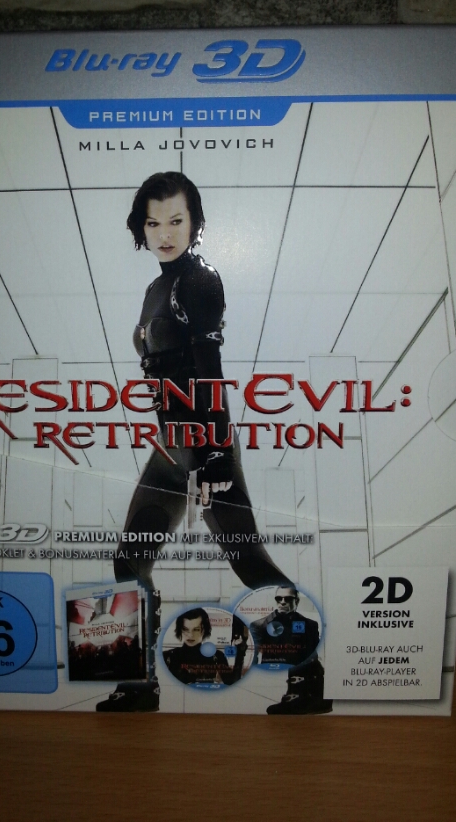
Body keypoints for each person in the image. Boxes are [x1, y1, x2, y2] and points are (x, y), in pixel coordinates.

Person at [96, 171, 293, 713]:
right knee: (129, 562)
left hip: (203, 444)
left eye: (176, 220)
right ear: (141, 227)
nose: (164, 233)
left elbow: (209, 374)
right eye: (153, 222)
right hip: (170, 446)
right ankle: (139, 685)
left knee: (250, 564)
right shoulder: (155, 288)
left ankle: (309, 674)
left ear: (195, 223)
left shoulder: (200, 281)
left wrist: (214, 458)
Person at [248, 586, 332, 715]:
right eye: (279, 598)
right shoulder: (259, 625)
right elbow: (253, 656)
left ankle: (307, 698)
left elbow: (313, 655)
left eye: (287, 599)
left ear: (296, 601)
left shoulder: (310, 625)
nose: (282, 602)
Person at [163, 608, 247, 686]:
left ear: (204, 630)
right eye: (185, 629)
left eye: (196, 629)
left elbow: (231, 682)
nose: (190, 635)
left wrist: (240, 653)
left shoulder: (217, 657)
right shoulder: (168, 656)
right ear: (180, 630)